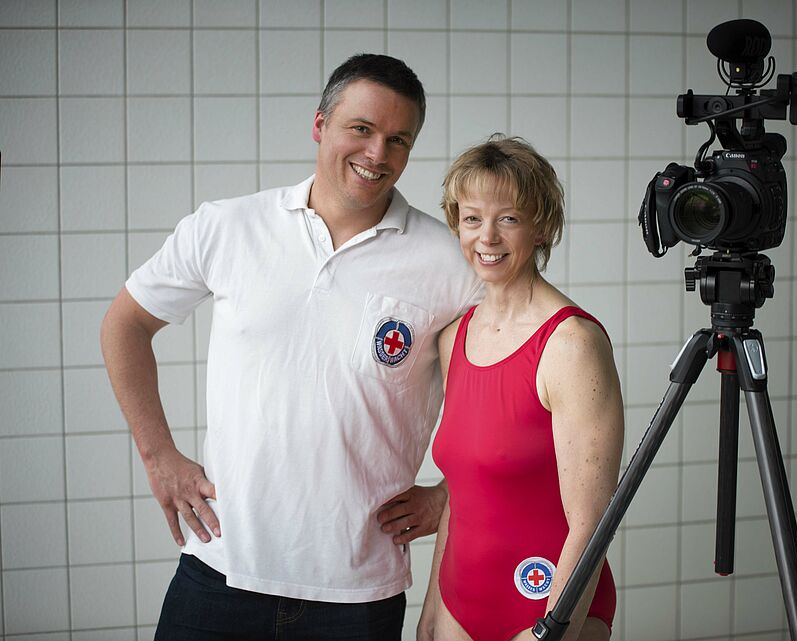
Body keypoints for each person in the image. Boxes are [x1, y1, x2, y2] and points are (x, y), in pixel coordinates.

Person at [100, 54, 481, 640]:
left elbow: (499, 390)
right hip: (220, 573)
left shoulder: (447, 261)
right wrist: (160, 459)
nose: (378, 154)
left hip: (358, 592)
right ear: (320, 124)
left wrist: (449, 496)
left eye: (398, 139)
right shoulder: (227, 227)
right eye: (361, 129)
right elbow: (124, 326)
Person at [418, 137, 625, 641]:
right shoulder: (454, 337)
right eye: (471, 218)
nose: (486, 236)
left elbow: (591, 522)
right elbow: (463, 497)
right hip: (457, 605)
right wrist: (430, 611)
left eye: (508, 218)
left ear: (541, 228)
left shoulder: (572, 343)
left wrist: (553, 630)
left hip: (547, 611)